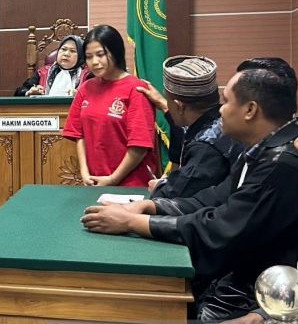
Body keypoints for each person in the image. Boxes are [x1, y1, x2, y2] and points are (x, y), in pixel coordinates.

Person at [81, 67, 298, 322]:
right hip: (233, 283)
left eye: (226, 101)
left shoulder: (279, 165)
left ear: (250, 110)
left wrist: (133, 222)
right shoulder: (260, 151)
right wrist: (151, 208)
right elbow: (213, 199)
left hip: (250, 298)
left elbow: (219, 228)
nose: (220, 110)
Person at [62, 25, 158, 186]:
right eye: (89, 56)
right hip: (95, 182)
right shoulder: (85, 88)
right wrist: (84, 173)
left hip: (131, 184)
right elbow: (79, 135)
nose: (95, 62)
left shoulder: (136, 88)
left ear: (116, 52)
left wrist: (113, 179)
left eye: (100, 55)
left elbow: (139, 145)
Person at [138, 56, 243, 199]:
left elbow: (177, 195)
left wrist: (159, 188)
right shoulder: (225, 121)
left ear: (179, 106)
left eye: (168, 100)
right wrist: (163, 104)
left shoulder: (205, 148)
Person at [14, 35, 90, 97]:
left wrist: (80, 95)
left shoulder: (87, 75)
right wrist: (29, 92)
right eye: (63, 49)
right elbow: (19, 92)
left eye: (73, 51)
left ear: (81, 56)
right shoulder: (43, 72)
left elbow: (95, 97)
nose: (66, 54)